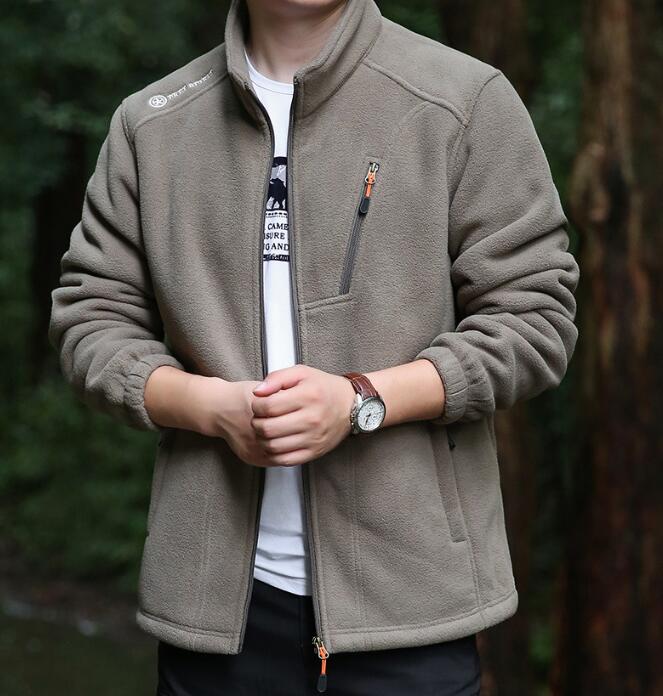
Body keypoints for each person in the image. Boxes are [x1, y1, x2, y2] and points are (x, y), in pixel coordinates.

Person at [48, 0, 580, 693]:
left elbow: (533, 316)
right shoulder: (151, 124)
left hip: (410, 605)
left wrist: (361, 400)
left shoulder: (462, 99)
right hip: (213, 611)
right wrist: (211, 407)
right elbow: (91, 320)